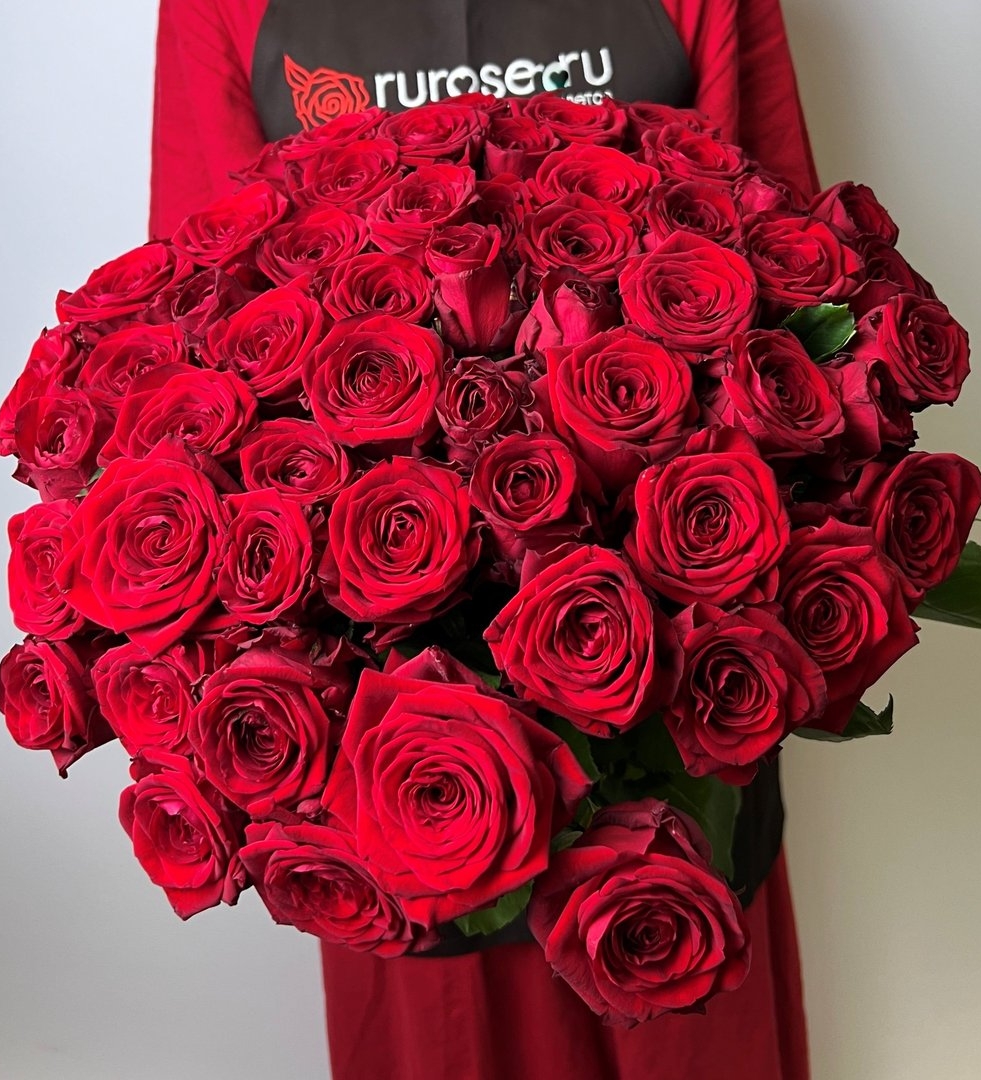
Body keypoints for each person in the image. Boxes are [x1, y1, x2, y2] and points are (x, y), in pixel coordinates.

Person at [149, 3, 818, 1077]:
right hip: (394, 764)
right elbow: (193, 337)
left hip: (668, 728)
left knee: (691, 1023)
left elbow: (787, 277)